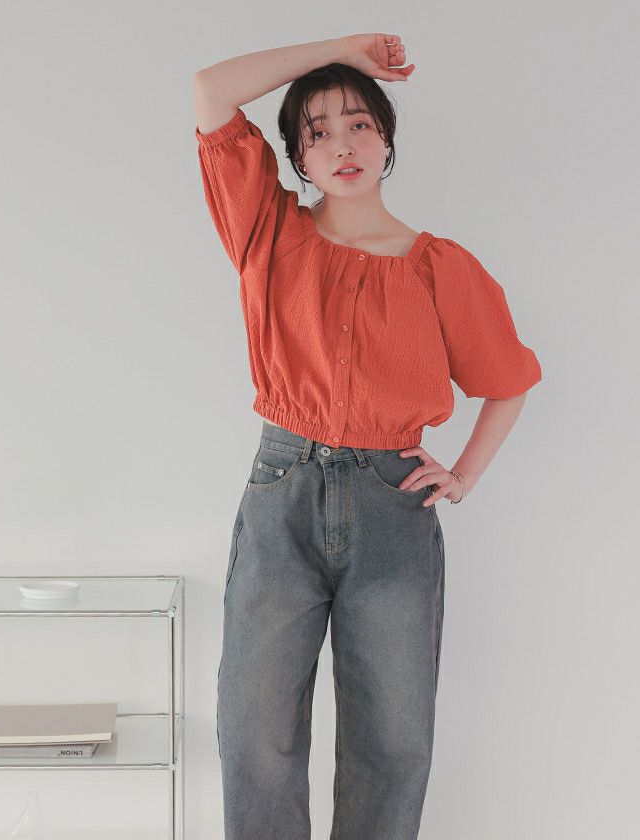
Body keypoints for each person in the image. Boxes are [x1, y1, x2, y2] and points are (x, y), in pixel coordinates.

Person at [193, 33, 542, 840]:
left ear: (386, 139)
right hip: (283, 491)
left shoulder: (440, 268)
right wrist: (343, 51)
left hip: (393, 504)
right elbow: (211, 90)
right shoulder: (267, 232)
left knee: (393, 739)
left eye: (359, 124)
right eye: (317, 133)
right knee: (254, 732)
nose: (342, 147)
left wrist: (463, 475)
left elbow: (508, 380)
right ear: (296, 157)